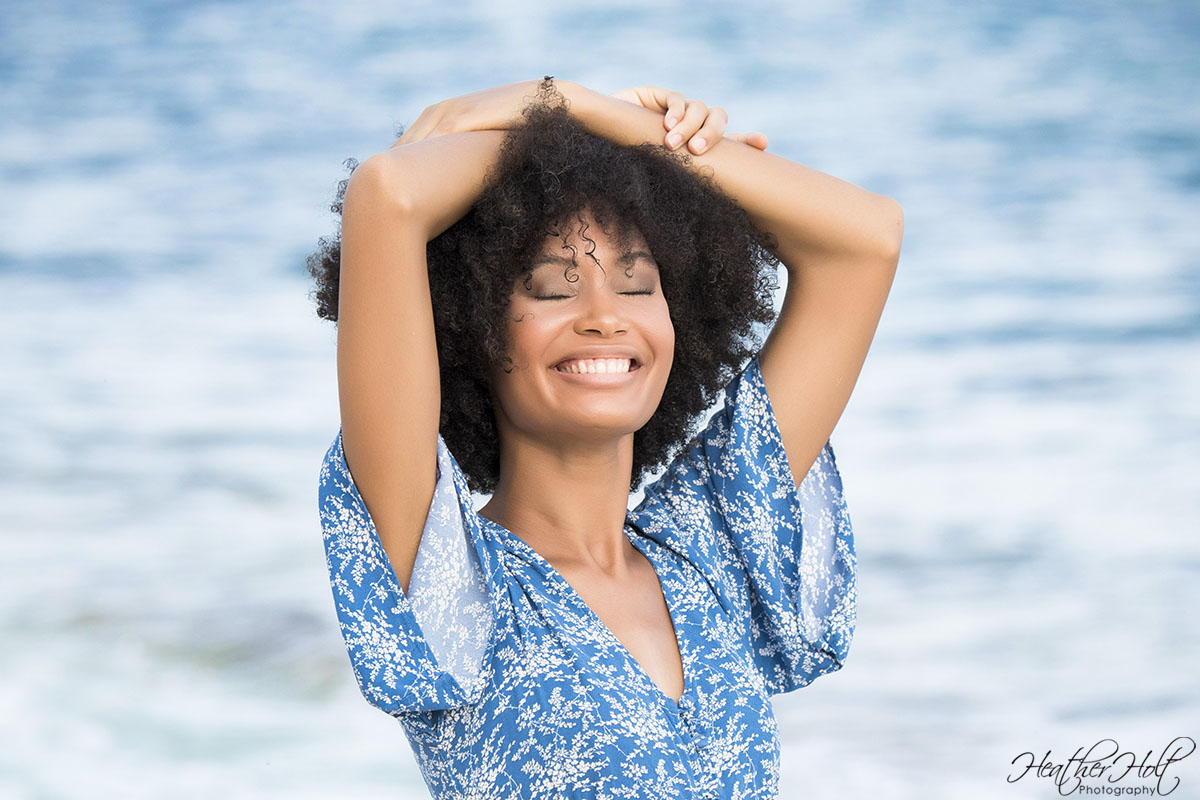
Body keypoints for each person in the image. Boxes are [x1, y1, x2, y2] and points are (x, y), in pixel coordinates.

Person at [309, 77, 902, 799]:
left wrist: (596, 115)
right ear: (466, 331)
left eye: (637, 283)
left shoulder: (709, 551)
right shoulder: (449, 577)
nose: (604, 317)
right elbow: (390, 197)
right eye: (553, 288)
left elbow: (866, 241)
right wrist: (552, 127)